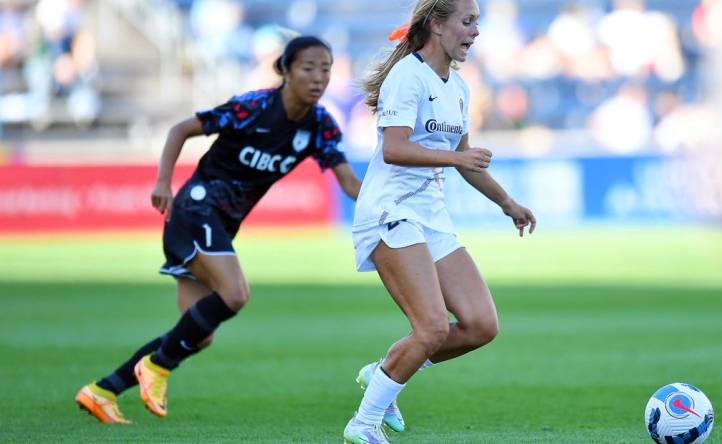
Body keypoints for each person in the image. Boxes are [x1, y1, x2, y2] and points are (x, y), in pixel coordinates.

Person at [75, 36, 361, 424]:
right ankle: (156, 370)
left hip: (220, 226)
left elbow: (349, 183)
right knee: (235, 293)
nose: (318, 77)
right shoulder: (254, 107)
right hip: (194, 209)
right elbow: (180, 129)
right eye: (308, 68)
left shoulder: (320, 126)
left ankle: (103, 390)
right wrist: (163, 182)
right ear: (285, 71)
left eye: (325, 69)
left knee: (197, 334)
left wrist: (391, 198)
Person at [342, 1, 536, 443]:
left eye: (477, 24)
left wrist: (508, 202)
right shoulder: (407, 76)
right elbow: (394, 148)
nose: (475, 32)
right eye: (467, 22)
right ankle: (363, 423)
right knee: (429, 328)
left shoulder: (459, 87)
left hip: (431, 216)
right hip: (390, 211)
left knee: (481, 325)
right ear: (437, 24)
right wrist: (454, 157)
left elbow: (466, 160)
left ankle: (387, 370)